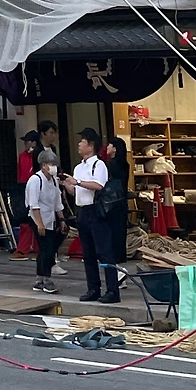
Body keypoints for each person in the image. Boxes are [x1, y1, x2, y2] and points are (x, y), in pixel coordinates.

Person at [63, 128, 112, 302]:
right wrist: (66, 183)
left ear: (91, 146)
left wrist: (77, 182)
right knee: (88, 253)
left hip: (96, 211)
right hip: (82, 210)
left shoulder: (99, 165)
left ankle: (112, 290)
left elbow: (98, 185)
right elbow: (76, 191)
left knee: (104, 251)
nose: (79, 144)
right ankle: (93, 288)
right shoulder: (78, 167)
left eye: (82, 142)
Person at [26, 148, 64, 293]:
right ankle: (46, 279)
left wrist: (62, 219)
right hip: (37, 218)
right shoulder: (35, 180)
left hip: (50, 219)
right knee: (47, 249)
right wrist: (40, 224)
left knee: (47, 249)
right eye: (51, 164)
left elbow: (57, 202)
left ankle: (40, 279)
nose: (53, 167)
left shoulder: (53, 181)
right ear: (43, 165)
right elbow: (33, 204)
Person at [100, 137, 131, 301]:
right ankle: (120, 273)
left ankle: (118, 273)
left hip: (110, 206)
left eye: (109, 145)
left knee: (110, 240)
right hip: (121, 205)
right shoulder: (125, 164)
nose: (107, 148)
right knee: (119, 237)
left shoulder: (110, 165)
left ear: (115, 148)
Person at [14, 130, 39, 256]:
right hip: (24, 187)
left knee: (38, 218)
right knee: (24, 218)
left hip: (36, 187)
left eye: (27, 141)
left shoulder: (38, 155)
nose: (25, 144)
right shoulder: (22, 156)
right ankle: (23, 248)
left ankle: (37, 247)